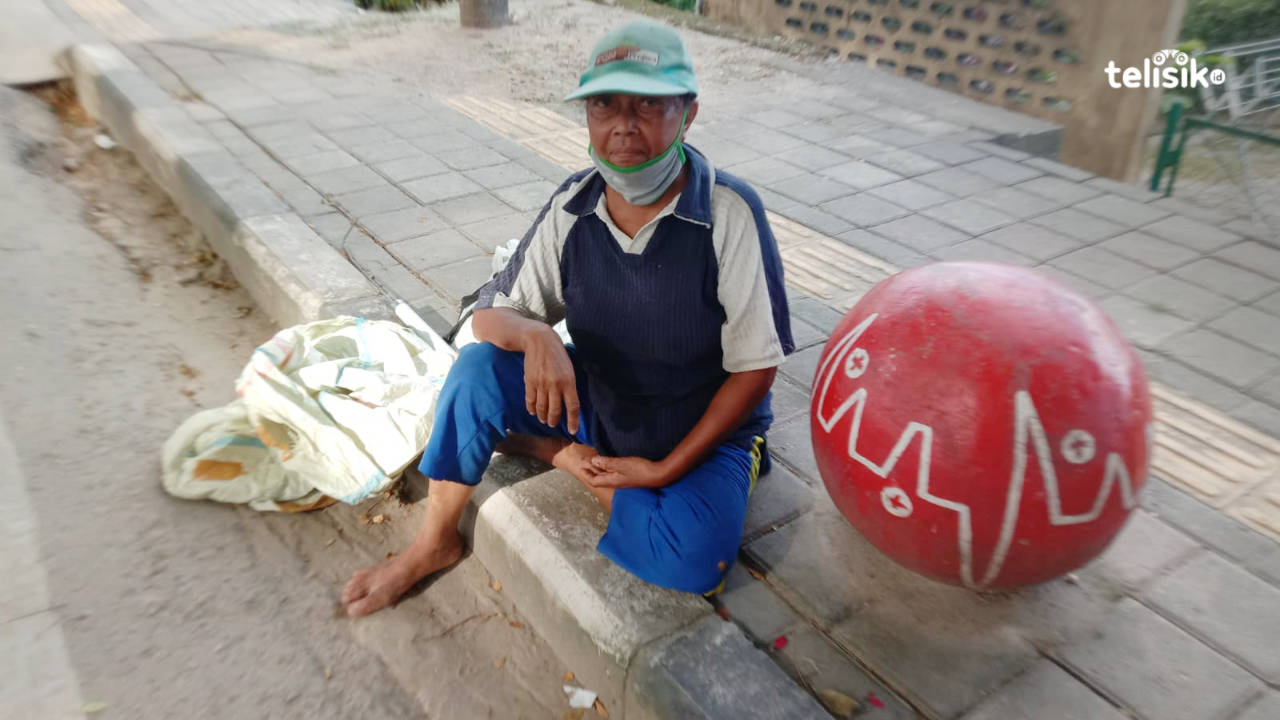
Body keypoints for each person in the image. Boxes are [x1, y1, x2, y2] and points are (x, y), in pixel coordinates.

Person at [341, 20, 794, 617]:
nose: (623, 125)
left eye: (649, 105)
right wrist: (535, 336)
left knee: (695, 562)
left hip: (698, 430)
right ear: (586, 116)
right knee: (477, 371)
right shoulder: (574, 205)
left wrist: (663, 469)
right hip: (602, 401)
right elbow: (490, 317)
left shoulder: (728, 215)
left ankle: (578, 459)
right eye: (604, 103)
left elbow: (755, 370)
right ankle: (435, 541)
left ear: (687, 114)